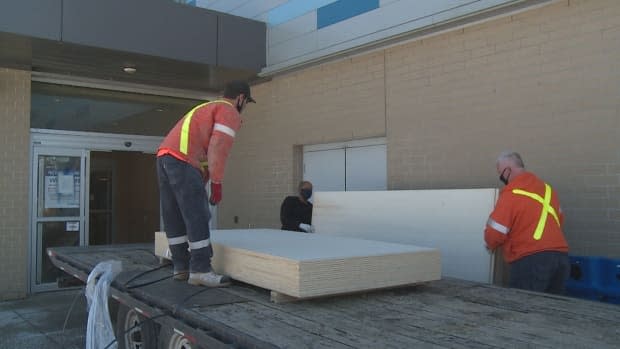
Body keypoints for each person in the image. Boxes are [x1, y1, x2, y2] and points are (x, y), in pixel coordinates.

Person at [156, 80, 255, 287]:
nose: (244, 108)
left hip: (165, 158)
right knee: (197, 214)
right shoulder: (228, 111)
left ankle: (181, 267)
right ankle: (200, 270)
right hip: (183, 161)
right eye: (246, 103)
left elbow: (204, 148)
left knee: (173, 214)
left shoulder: (206, 107)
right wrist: (217, 183)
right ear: (240, 98)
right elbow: (218, 146)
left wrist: (206, 176)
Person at [484, 151, 569, 294]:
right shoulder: (548, 190)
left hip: (531, 261)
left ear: (508, 170)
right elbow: (559, 220)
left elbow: (495, 232)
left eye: (500, 174)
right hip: (561, 258)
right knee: (553, 310)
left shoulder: (511, 194)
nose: (501, 178)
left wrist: (489, 244)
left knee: (525, 310)